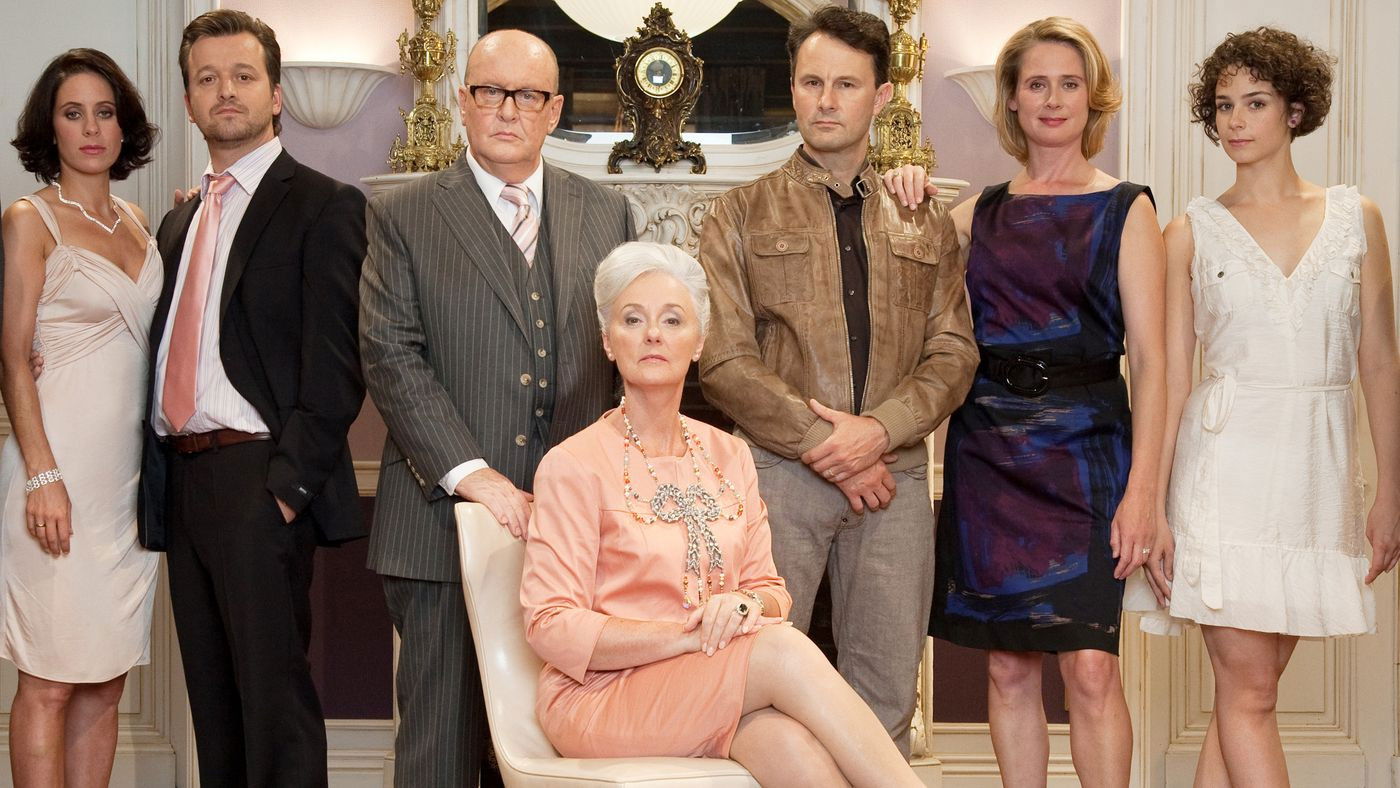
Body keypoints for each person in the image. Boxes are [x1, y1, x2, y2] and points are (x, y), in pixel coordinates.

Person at [522, 240, 922, 787]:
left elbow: (771, 591)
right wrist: (687, 637)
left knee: (793, 749)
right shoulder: (573, 464)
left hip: (707, 676)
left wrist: (742, 604)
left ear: (700, 341)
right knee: (782, 650)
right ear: (608, 341)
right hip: (601, 697)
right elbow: (550, 626)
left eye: (673, 320)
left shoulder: (728, 454)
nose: (653, 334)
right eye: (633, 319)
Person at [888, 16, 1168, 785]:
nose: (1052, 99)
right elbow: (898, 283)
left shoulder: (1127, 209)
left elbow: (1153, 362)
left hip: (1090, 456)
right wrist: (904, 195)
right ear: (1010, 98)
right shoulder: (976, 213)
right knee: (1008, 667)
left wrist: (1145, 492)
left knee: (1091, 668)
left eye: (1069, 84)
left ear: (1092, 97)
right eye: (1036, 84)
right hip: (989, 452)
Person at [697, 6, 978, 755]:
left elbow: (953, 352)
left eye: (846, 85)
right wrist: (833, 445)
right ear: (792, 88)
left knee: (885, 697)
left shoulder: (924, 218)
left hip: (896, 482)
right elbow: (722, 359)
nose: (826, 100)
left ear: (881, 96)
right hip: (777, 478)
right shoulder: (736, 213)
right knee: (757, 683)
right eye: (811, 82)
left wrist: (878, 434)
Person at [360, 29, 634, 787]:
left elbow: (628, 363)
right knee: (440, 754)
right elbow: (390, 354)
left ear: (555, 110)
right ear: (463, 101)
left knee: (564, 751)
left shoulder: (607, 213)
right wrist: (472, 475)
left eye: (528, 95)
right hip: (440, 528)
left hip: (574, 538)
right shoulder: (405, 214)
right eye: (490, 92)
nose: (508, 110)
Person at [1140, 27, 1399, 786]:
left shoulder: (1358, 218)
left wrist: (1391, 488)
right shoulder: (1188, 233)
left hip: (1317, 478)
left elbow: (1380, 361)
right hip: (1223, 475)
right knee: (1250, 694)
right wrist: (1152, 504)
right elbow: (1170, 379)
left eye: (1255, 102)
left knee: (1244, 696)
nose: (1235, 120)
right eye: (1223, 105)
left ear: (1296, 110)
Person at [139, 10, 368, 786]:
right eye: (207, 79)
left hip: (258, 480)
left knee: (274, 710)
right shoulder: (180, 221)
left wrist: (284, 490)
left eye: (242, 75)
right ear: (189, 101)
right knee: (215, 708)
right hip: (183, 481)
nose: (225, 91)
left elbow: (336, 366)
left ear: (274, 95)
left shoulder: (323, 204)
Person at [0, 48, 160, 788]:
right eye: (73, 113)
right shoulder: (28, 220)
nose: (92, 129)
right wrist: (43, 474)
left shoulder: (141, 223)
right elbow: (11, 355)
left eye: (105, 112)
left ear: (124, 127)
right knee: (49, 679)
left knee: (105, 677)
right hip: (55, 475)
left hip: (127, 489)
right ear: (51, 128)